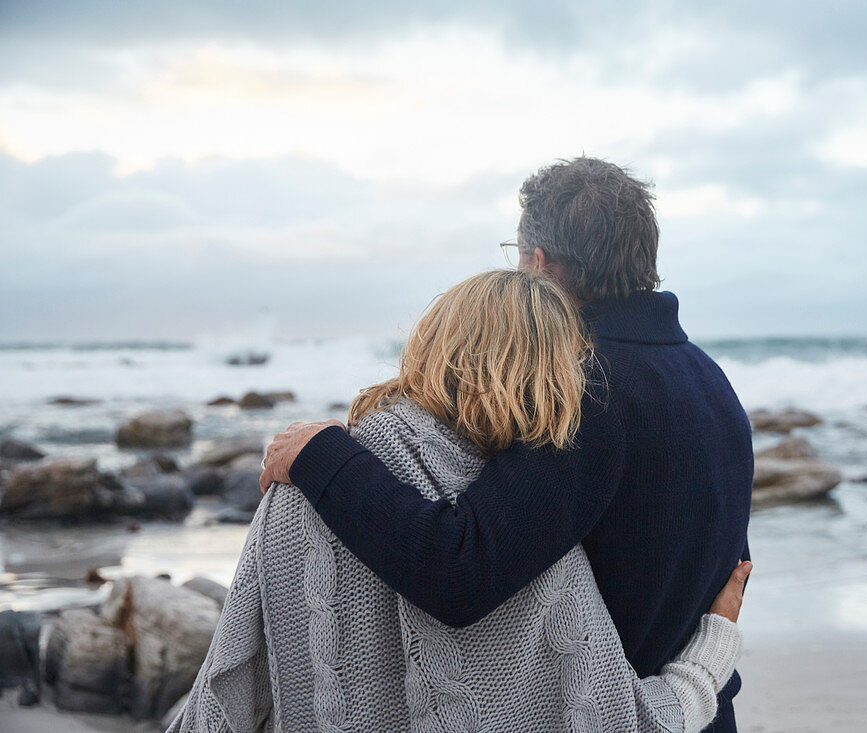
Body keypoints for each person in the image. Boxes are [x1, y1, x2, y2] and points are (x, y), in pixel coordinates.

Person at [261, 157, 755, 731]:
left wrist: (323, 457)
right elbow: (730, 564)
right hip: (699, 708)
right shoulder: (711, 381)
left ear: (538, 263)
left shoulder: (584, 388)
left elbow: (459, 570)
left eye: (515, 254)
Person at [171, 269, 751, 732]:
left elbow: (226, 692)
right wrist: (711, 652)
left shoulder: (298, 478)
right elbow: (634, 722)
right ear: (554, 373)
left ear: (431, 343)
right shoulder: (534, 550)